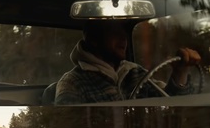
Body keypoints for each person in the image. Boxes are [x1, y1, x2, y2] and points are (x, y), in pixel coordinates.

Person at [54, 20, 201, 105]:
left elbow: (170, 103)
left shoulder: (135, 72)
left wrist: (180, 73)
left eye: (124, 31)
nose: (123, 37)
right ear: (93, 39)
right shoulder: (72, 83)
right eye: (113, 31)